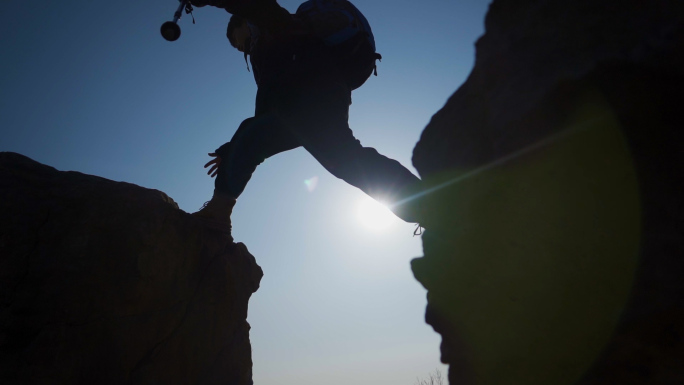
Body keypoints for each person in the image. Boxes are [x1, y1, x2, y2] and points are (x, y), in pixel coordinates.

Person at [190, 0, 422, 235]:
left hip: (315, 99)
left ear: (242, 25)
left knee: (345, 159)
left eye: (234, 39)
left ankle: (429, 204)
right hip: (306, 107)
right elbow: (264, 111)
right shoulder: (263, 50)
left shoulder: (274, 24)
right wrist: (230, 151)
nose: (237, 46)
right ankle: (427, 206)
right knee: (343, 159)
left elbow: (255, 5)